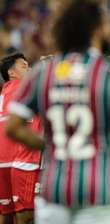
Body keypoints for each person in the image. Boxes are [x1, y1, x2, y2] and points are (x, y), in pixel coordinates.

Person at [5, 1, 110, 224]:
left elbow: (13, 127)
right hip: (101, 190)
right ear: (97, 29)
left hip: (55, 190)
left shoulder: (43, 72)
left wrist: (48, 145)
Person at [0, 52, 42, 224]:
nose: (29, 69)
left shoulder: (4, 94)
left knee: (7, 215)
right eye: (24, 66)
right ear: (11, 73)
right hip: (23, 162)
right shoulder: (23, 87)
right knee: (26, 215)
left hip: (3, 162)